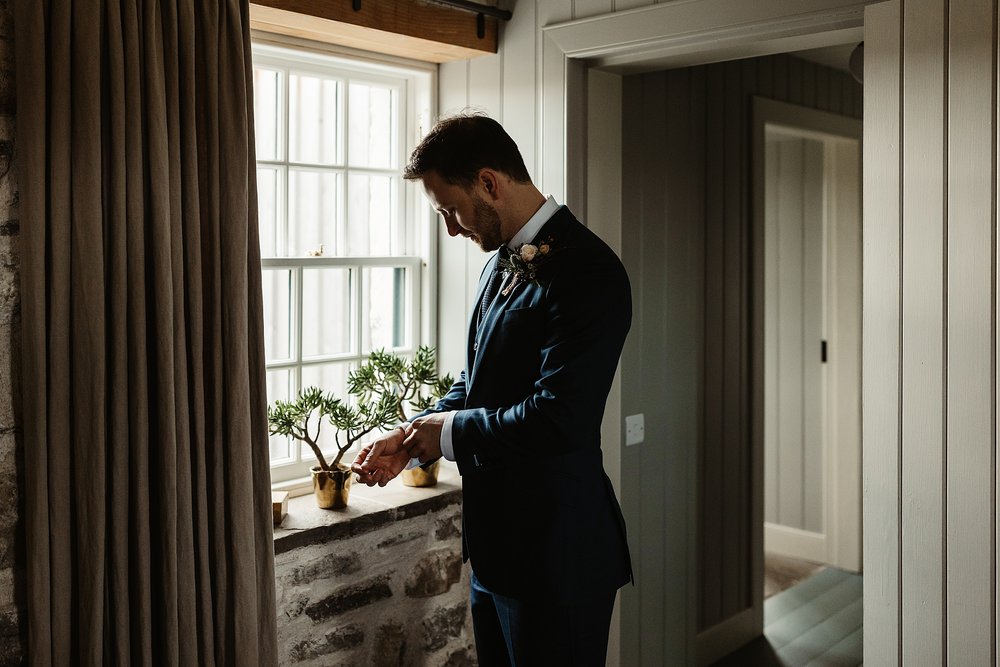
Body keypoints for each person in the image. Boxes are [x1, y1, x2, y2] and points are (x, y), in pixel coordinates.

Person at [351, 114, 632, 666]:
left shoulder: (590, 271)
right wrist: (411, 436)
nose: (452, 229)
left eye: (449, 210)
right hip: (496, 554)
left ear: (488, 182)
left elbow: (559, 417)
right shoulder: (497, 263)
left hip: (558, 558)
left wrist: (447, 431)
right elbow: (476, 382)